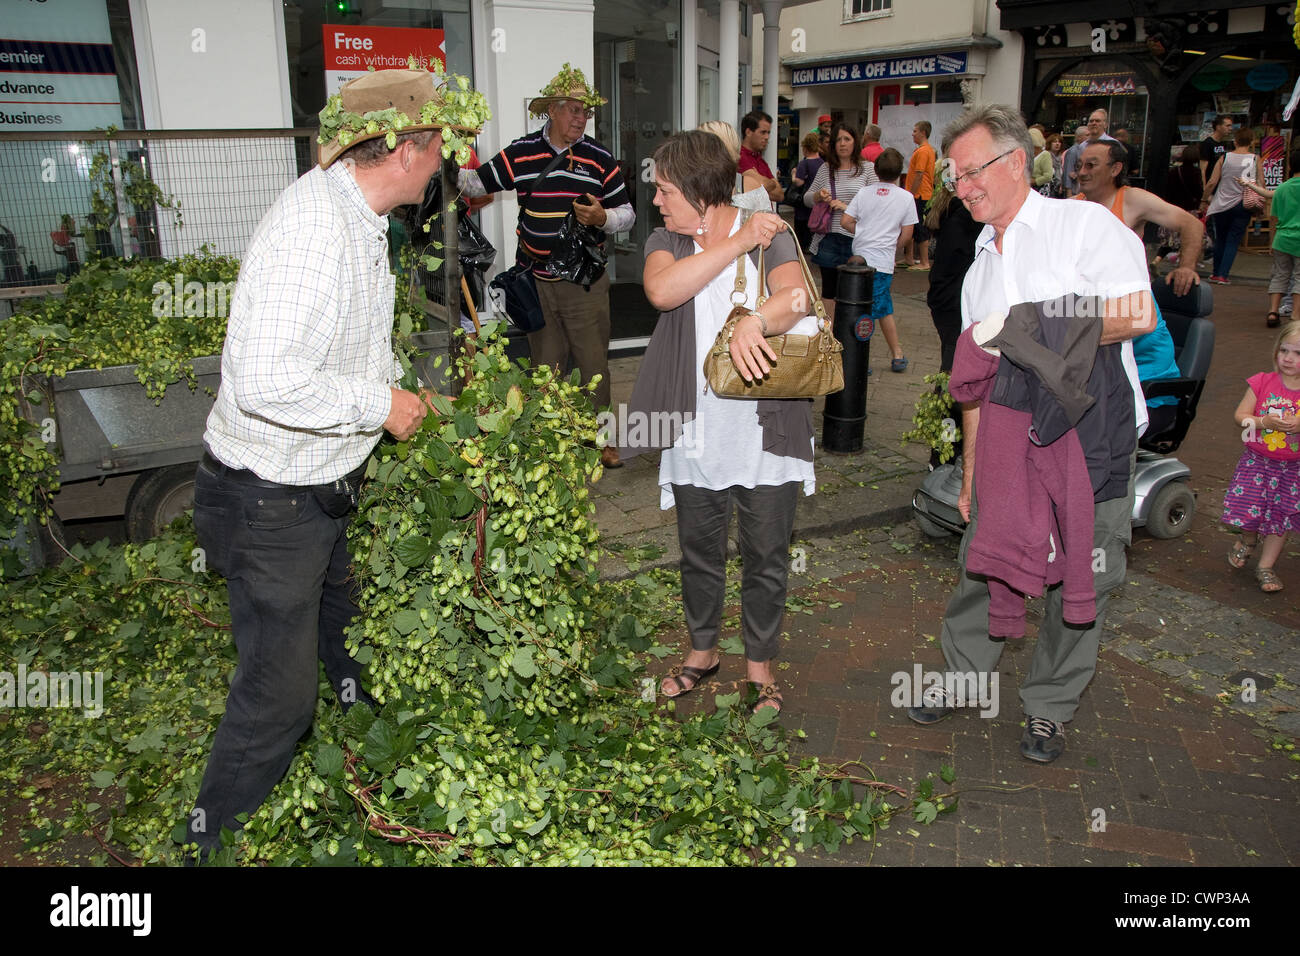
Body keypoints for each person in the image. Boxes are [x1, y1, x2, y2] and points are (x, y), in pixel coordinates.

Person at [186, 68, 470, 856]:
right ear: (409, 149)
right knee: (278, 699)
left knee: (346, 638)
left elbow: (351, 350)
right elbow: (266, 380)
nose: (447, 160)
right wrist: (380, 408)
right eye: (442, 144)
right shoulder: (313, 229)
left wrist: (411, 397)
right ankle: (206, 844)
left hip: (317, 492)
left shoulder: (362, 220)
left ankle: (363, 765)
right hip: (269, 499)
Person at [905, 104, 1155, 764]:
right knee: (987, 559)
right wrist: (971, 471)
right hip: (1009, 446)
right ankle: (962, 678)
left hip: (1091, 437)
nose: (962, 186)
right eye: (954, 177)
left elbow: (1136, 313)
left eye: (971, 171)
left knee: (1087, 574)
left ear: (1016, 162)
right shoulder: (980, 266)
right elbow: (977, 383)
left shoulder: (1083, 227)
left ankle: (1048, 706)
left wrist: (1021, 329)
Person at [618, 130, 818, 715]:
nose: (657, 202)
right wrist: (733, 243)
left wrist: (757, 319)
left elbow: (799, 299)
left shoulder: (773, 235)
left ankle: (761, 668)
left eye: (666, 191)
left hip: (767, 430)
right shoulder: (668, 240)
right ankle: (702, 652)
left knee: (766, 554)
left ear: (703, 192)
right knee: (699, 551)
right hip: (694, 429)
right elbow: (660, 291)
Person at [459, 64, 635, 468]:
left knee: (593, 366)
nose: (580, 118)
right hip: (535, 283)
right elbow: (475, 185)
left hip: (584, 284)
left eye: (585, 112)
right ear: (551, 111)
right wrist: (444, 159)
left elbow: (627, 212)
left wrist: (602, 219)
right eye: (573, 110)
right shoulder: (521, 152)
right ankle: (550, 436)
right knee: (546, 367)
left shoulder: (598, 158)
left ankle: (602, 438)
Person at [1074, 138, 1204, 435]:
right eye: (1080, 165)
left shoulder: (1130, 199)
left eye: (1091, 165)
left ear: (1116, 168)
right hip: (1092, 308)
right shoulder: (1074, 207)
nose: (1081, 172)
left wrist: (1186, 266)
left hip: (1126, 313)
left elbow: (1192, 225)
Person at [1224, 321, 1300, 592]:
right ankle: (1248, 539)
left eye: (1298, 353)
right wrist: (1262, 420)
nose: (1288, 358)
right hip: (1257, 462)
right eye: (1284, 350)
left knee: (1280, 517)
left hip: (1292, 469)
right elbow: (1240, 417)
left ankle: (1266, 566)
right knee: (1247, 509)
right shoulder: (1261, 381)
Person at [841, 148, 916, 373]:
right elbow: (907, 234)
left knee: (878, 308)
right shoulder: (906, 198)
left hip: (859, 258)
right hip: (882, 262)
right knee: (873, 310)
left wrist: (863, 233)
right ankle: (863, 357)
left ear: (875, 170)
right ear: (900, 172)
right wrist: (892, 245)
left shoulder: (864, 193)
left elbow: (846, 221)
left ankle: (896, 352)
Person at [804, 123, 877, 328]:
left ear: (856, 141)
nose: (842, 144)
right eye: (838, 140)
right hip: (830, 236)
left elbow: (875, 205)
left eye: (847, 139)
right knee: (829, 290)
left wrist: (847, 207)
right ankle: (828, 335)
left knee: (855, 289)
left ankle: (850, 332)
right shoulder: (826, 169)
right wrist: (818, 196)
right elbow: (807, 198)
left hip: (857, 238)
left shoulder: (867, 169)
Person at [1239, 144, 1300, 327]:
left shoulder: (1282, 189)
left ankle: (1273, 311)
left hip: (1282, 238)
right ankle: (1296, 314)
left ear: (1290, 167)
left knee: (1280, 275)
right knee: (1299, 277)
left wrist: (1272, 240)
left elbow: (1273, 217)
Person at [1201, 126, 1258, 284]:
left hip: (1222, 203)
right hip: (1243, 203)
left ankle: (1215, 272)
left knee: (1221, 238)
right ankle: (1223, 275)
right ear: (1251, 141)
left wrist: (1204, 199)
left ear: (1235, 141)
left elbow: (1212, 182)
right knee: (1233, 240)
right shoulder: (1255, 159)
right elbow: (1261, 184)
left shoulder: (1224, 158)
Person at [1063, 110, 1117, 196]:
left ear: (1106, 125)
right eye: (1091, 121)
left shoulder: (1114, 145)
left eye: (1098, 121)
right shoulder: (1082, 146)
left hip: (1106, 192)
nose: (1094, 123)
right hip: (1085, 193)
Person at [906, 121, 936, 270]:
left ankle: (924, 262)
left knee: (919, 227)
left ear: (923, 133)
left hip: (920, 195)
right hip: (919, 194)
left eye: (915, 131)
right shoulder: (924, 150)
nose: (913, 133)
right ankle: (909, 258)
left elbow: (919, 174)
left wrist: (911, 194)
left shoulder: (924, 151)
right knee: (911, 225)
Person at [738, 110, 785, 204]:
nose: (767, 137)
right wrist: (770, 183)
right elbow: (751, 189)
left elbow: (780, 195)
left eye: (768, 133)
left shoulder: (760, 160)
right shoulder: (739, 157)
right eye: (763, 132)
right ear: (748, 132)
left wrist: (762, 183)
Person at [791, 131, 825, 250]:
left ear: (805, 147)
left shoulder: (804, 163)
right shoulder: (823, 163)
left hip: (803, 205)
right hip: (817, 203)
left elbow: (798, 182)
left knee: (801, 234)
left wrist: (793, 174)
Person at [1200, 113, 1234, 183]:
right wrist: (1204, 188)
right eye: (1227, 126)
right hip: (1211, 182)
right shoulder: (1208, 143)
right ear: (1218, 127)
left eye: (1231, 126)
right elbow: (1202, 169)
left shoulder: (1226, 143)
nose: (1230, 129)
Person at [1030, 127, 1054, 193]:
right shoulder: (1028, 154)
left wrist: (1034, 181)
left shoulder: (1045, 155)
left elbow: (1048, 176)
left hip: (1040, 190)